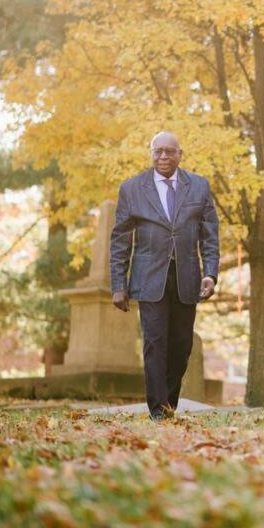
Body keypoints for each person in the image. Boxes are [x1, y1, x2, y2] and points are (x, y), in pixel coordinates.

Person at [109, 131, 220, 420]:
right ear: (151, 154)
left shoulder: (198, 186)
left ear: (180, 154)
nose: (163, 157)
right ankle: (158, 409)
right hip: (148, 279)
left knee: (182, 345)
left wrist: (211, 273)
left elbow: (210, 236)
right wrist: (118, 285)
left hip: (187, 278)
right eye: (157, 151)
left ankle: (168, 402)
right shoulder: (132, 189)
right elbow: (120, 239)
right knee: (155, 343)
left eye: (169, 151)